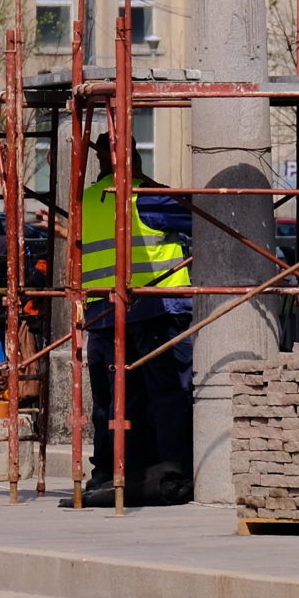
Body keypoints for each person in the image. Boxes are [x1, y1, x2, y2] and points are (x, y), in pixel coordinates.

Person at [66, 135, 193, 509]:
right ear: (134, 159)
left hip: (102, 315)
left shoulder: (86, 200)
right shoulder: (146, 197)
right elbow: (206, 216)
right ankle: (172, 472)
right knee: (169, 394)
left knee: (112, 401)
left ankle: (111, 471)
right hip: (156, 310)